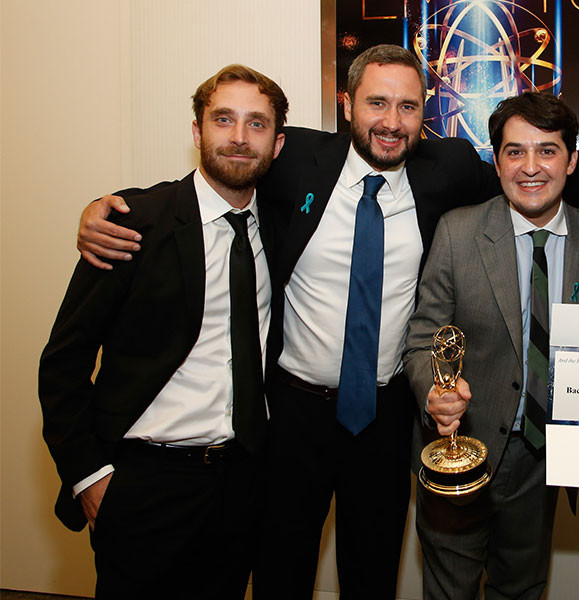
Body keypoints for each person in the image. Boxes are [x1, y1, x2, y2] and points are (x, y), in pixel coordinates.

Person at [76, 45, 504, 598]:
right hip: (289, 417)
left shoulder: (448, 170)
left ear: (425, 113)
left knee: (373, 571)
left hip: (386, 414)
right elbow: (214, 177)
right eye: (377, 103)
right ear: (348, 106)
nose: (392, 123)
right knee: (280, 569)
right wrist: (105, 209)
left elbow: (528, 190)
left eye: (408, 107)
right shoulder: (295, 155)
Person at [404, 92, 579, 599]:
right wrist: (431, 393)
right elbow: (421, 339)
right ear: (496, 159)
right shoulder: (458, 232)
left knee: (522, 590)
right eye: (514, 151)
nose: (530, 167)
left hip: (542, 460)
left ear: (571, 160)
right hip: (461, 452)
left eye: (547, 151)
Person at [38, 64, 287, 598]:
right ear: (197, 131)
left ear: (278, 143)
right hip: (145, 484)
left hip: (242, 482)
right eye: (223, 120)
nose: (239, 138)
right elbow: (64, 360)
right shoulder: (133, 224)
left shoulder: (287, 225)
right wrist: (89, 476)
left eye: (257, 124)